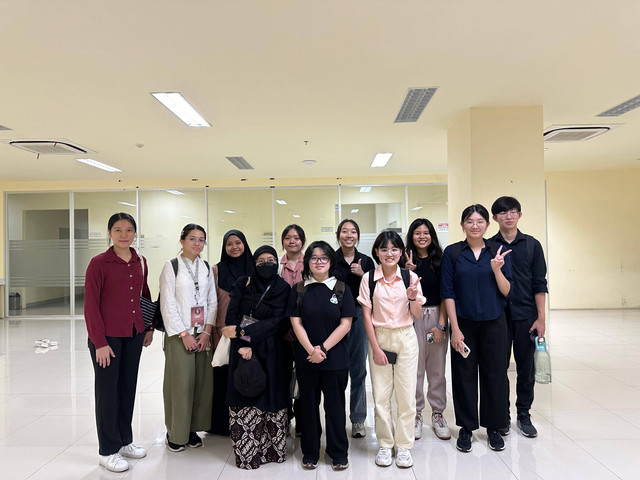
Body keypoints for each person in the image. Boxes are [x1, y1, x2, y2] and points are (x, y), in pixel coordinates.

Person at [84, 212, 154, 473]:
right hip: (107, 339)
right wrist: (99, 342)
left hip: (134, 334)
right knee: (108, 393)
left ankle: (125, 441)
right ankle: (107, 450)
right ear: (110, 233)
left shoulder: (141, 262)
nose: (124, 235)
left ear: (135, 233)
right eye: (118, 230)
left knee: (127, 388)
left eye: (129, 230)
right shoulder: (99, 263)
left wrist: (149, 327)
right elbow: (90, 305)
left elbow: (144, 296)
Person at [440, 204, 513, 453]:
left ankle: (494, 427)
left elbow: (507, 291)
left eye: (480, 221)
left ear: (487, 225)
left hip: (495, 322)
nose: (475, 225)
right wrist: (455, 329)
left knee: (495, 374)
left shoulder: (498, 251)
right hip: (465, 323)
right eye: (469, 221)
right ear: (462, 225)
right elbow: (448, 293)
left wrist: (497, 270)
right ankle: (466, 428)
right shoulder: (452, 253)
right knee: (463, 375)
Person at [358, 230, 424, 468]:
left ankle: (404, 446)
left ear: (401, 252)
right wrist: (375, 347)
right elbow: (366, 315)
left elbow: (416, 315)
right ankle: (386, 444)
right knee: (381, 396)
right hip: (380, 337)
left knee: (406, 396)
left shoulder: (410, 277)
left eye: (394, 249)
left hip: (406, 338)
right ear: (376, 252)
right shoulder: (368, 279)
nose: (389, 254)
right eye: (384, 249)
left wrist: (413, 298)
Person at [287, 241, 356, 470]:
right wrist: (311, 351)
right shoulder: (299, 289)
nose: (318, 262)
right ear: (307, 261)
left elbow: (345, 325)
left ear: (330, 262)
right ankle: (310, 452)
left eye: (323, 258)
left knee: (335, 407)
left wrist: (323, 350)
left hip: (334, 360)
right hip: (306, 359)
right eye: (314, 258)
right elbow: (296, 324)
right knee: (308, 407)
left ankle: (338, 452)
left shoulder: (342, 289)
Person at [221, 245, 291, 470]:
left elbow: (278, 321)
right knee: (245, 393)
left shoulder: (282, 287)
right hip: (243, 351)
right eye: (261, 261)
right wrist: (241, 343)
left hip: (273, 351)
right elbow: (232, 315)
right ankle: (248, 453)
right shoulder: (243, 283)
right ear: (253, 263)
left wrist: (245, 334)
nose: (266, 264)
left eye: (271, 259)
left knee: (272, 396)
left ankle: (272, 451)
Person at [491, 196, 548, 438]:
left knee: (526, 368)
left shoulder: (532, 245)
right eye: (503, 212)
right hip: (497, 317)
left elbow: (539, 283)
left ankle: (523, 414)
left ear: (520, 215)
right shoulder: (488, 246)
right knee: (498, 368)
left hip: (527, 315)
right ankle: (502, 415)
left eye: (513, 211)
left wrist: (541, 318)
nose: (508, 216)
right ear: (495, 218)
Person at [160, 224, 217, 452]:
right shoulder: (171, 266)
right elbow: (168, 303)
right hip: (179, 335)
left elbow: (211, 300)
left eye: (201, 239)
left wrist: (206, 332)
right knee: (180, 385)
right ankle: (175, 433)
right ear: (182, 241)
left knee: (201, 385)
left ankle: (192, 429)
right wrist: (184, 333)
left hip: (202, 334)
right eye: (192, 238)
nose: (197, 243)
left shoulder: (204, 267)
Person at [404, 218, 451, 441]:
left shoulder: (441, 260)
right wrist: (408, 273)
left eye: (426, 232)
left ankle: (438, 414)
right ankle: (416, 414)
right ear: (411, 236)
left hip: (435, 316)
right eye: (417, 233)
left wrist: (440, 325)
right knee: (414, 369)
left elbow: (446, 295)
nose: (422, 236)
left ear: (432, 235)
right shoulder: (404, 261)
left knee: (436, 369)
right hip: (411, 317)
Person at [209, 230, 254, 436]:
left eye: (238, 242)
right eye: (229, 244)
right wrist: (215, 331)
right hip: (222, 333)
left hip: (248, 332)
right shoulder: (216, 271)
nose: (234, 247)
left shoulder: (254, 267)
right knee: (222, 377)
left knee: (246, 373)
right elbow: (211, 302)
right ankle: (221, 425)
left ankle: (248, 421)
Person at [334, 219, 375, 438]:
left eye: (353, 231)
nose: (349, 235)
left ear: (358, 235)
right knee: (337, 370)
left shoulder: (367, 261)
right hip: (335, 318)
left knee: (358, 370)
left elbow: (376, 291)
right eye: (344, 231)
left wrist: (362, 275)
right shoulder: (330, 259)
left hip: (359, 316)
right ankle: (337, 417)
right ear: (338, 234)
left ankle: (358, 419)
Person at [278, 224, 306, 436]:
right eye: (288, 238)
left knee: (305, 376)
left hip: (307, 330)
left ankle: (303, 420)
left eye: (296, 238)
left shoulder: (312, 263)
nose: (292, 241)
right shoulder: (277, 265)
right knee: (283, 374)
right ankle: (285, 418)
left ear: (302, 241)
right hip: (282, 331)